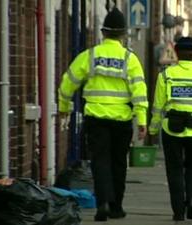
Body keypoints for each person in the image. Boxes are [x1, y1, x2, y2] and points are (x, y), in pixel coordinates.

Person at [58, 8, 148, 222]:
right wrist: (142, 119)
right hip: (122, 120)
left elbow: (68, 81)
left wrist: (63, 106)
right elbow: (139, 90)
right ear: (123, 34)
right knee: (118, 162)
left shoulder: (90, 56)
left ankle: (103, 204)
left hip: (96, 119)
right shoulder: (130, 59)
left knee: (100, 162)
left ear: (103, 32)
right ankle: (116, 206)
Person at [148, 36, 192, 221]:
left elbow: (158, 106)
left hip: (171, 128)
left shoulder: (166, 75)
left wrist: (153, 130)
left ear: (177, 54)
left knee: (174, 169)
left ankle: (179, 211)